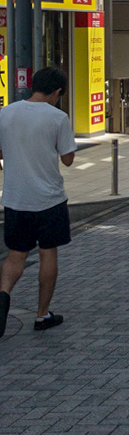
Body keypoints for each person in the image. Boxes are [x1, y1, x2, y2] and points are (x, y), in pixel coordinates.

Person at [0, 68, 77, 337]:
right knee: (47, 253)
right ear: (56, 92)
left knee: (15, 255)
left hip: (15, 197)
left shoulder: (6, 113)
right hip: (48, 200)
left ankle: (3, 295)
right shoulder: (58, 117)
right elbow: (68, 158)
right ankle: (42, 315)